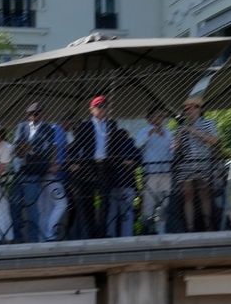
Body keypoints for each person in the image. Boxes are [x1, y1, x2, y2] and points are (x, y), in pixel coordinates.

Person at [68, 95, 140, 239]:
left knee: (105, 201)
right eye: (99, 107)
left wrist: (123, 160)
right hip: (88, 167)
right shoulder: (85, 125)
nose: (102, 109)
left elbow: (116, 147)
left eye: (104, 106)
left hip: (106, 167)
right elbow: (75, 146)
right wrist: (72, 163)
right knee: (88, 202)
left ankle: (102, 233)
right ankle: (89, 233)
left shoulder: (111, 125)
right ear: (92, 109)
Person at [10, 104, 64, 242]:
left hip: (33, 171)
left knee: (31, 205)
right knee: (14, 205)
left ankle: (33, 239)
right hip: (19, 170)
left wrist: (28, 149)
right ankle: (18, 238)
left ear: (42, 114)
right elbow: (17, 146)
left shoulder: (48, 130)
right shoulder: (22, 126)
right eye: (31, 114)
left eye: (36, 113)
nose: (33, 116)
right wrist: (28, 149)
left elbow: (44, 151)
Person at [174, 97, 222, 233]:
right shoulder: (182, 126)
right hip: (186, 164)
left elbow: (214, 140)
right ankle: (190, 227)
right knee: (187, 195)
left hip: (203, 162)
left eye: (191, 108)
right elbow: (176, 147)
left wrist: (193, 131)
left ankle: (208, 225)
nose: (188, 111)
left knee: (204, 194)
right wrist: (180, 132)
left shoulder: (207, 123)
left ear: (198, 109)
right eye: (186, 109)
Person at [137, 109, 174, 234]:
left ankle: (161, 231)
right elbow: (138, 145)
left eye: (162, 116)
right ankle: (146, 229)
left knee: (164, 203)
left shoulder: (168, 133)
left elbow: (172, 152)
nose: (160, 118)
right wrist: (149, 133)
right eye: (157, 116)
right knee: (149, 203)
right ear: (149, 119)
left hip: (166, 172)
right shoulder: (143, 131)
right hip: (151, 172)